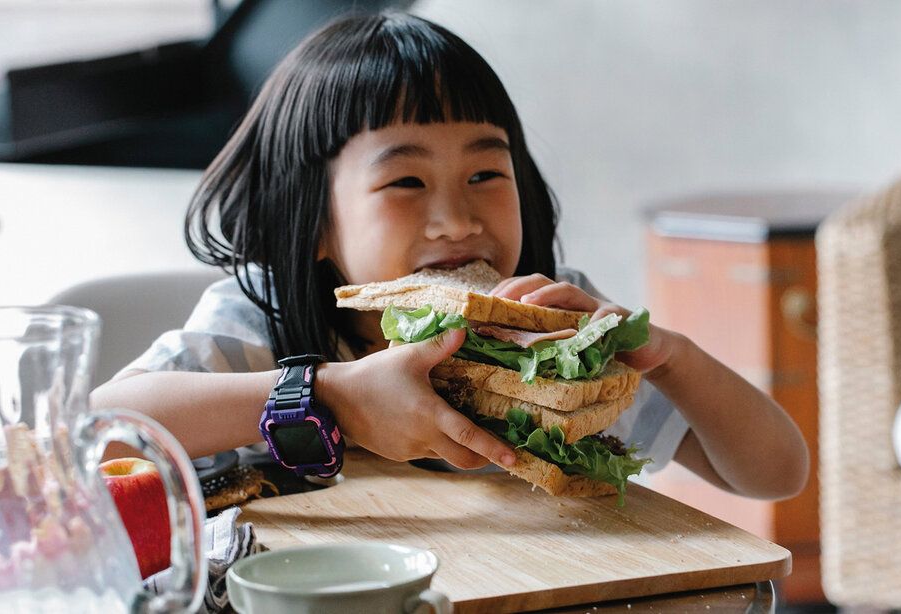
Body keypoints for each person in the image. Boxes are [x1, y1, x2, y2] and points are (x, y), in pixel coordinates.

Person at [91, 12, 808, 500]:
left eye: (485, 175)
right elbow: (103, 432)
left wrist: (669, 357)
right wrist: (330, 393)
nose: (456, 218)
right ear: (312, 221)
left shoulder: (550, 327)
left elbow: (774, 474)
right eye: (406, 181)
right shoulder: (262, 321)